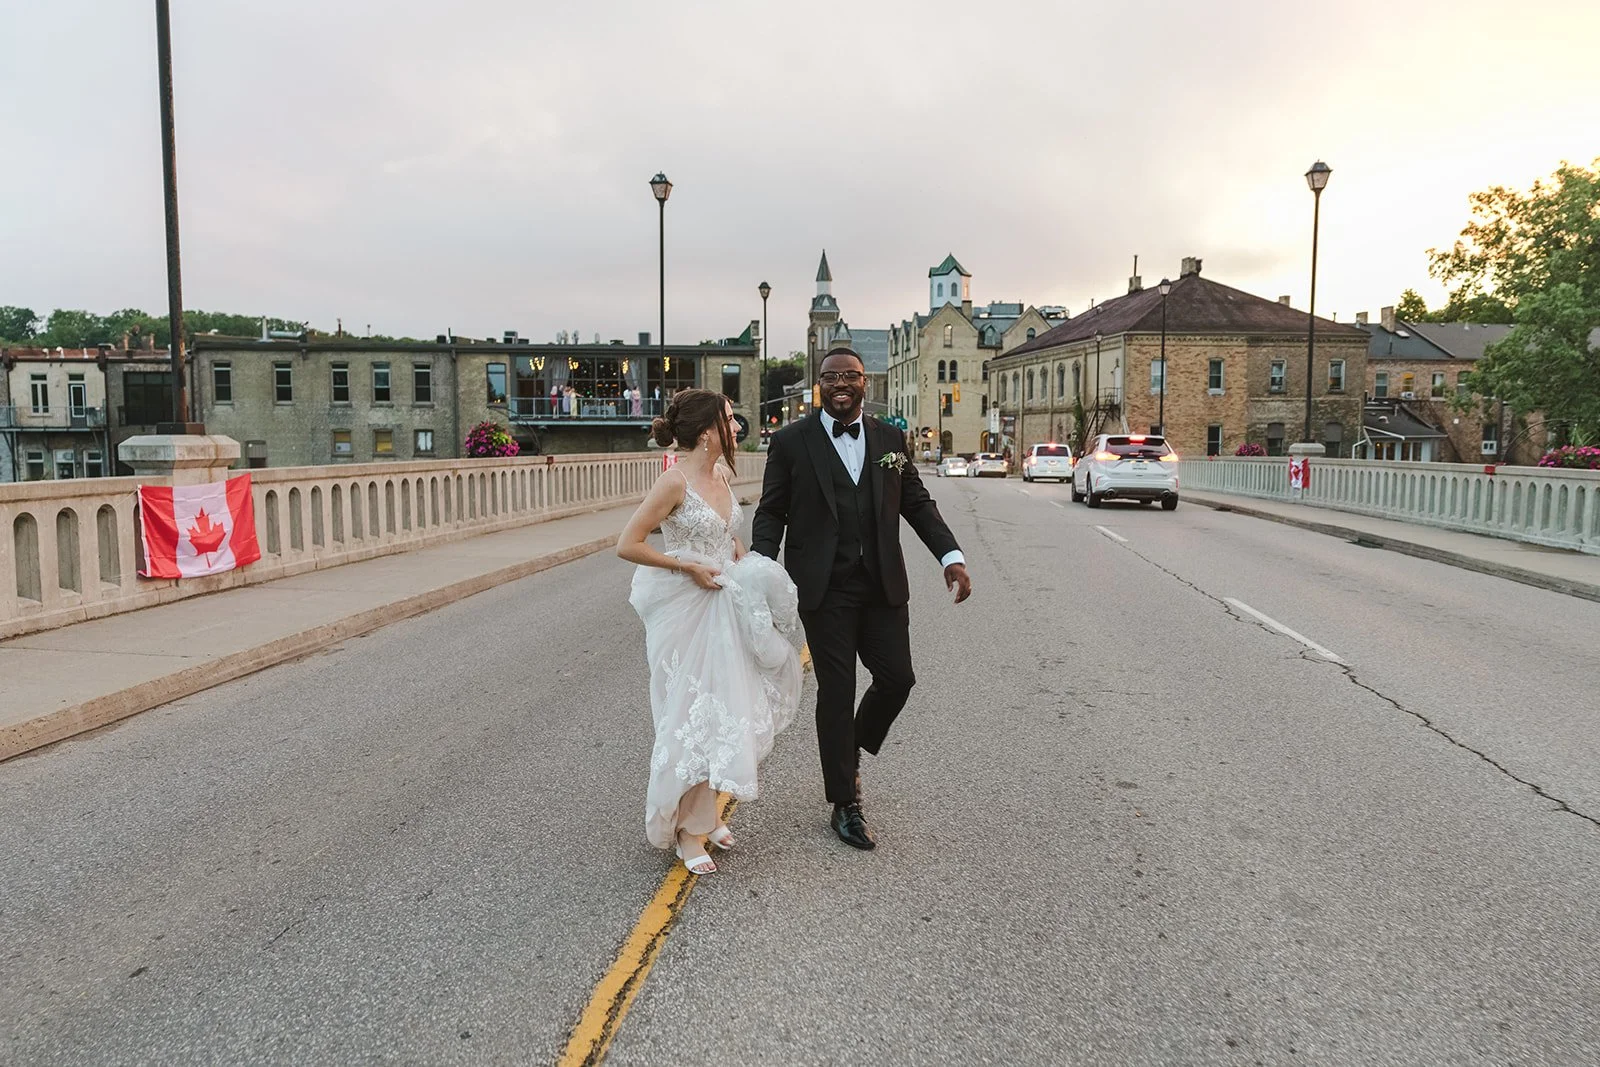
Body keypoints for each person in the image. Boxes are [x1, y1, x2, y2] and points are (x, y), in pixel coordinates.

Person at [752, 347, 972, 851]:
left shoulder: (890, 440)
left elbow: (917, 503)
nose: (840, 384)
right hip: (824, 589)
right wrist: (760, 569)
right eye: (830, 377)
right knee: (837, 689)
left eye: (849, 376)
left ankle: (847, 747)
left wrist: (950, 556)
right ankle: (844, 802)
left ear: (864, 383)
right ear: (819, 384)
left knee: (898, 679)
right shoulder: (790, 442)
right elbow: (771, 511)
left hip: (881, 585)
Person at [617, 389, 803, 874]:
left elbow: (723, 530)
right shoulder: (673, 482)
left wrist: (739, 553)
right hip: (688, 610)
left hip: (727, 602)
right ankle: (686, 830)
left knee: (724, 710)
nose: (737, 427)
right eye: (730, 419)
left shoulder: (722, 473)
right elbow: (628, 544)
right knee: (691, 713)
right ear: (706, 432)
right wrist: (686, 566)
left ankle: (706, 814)